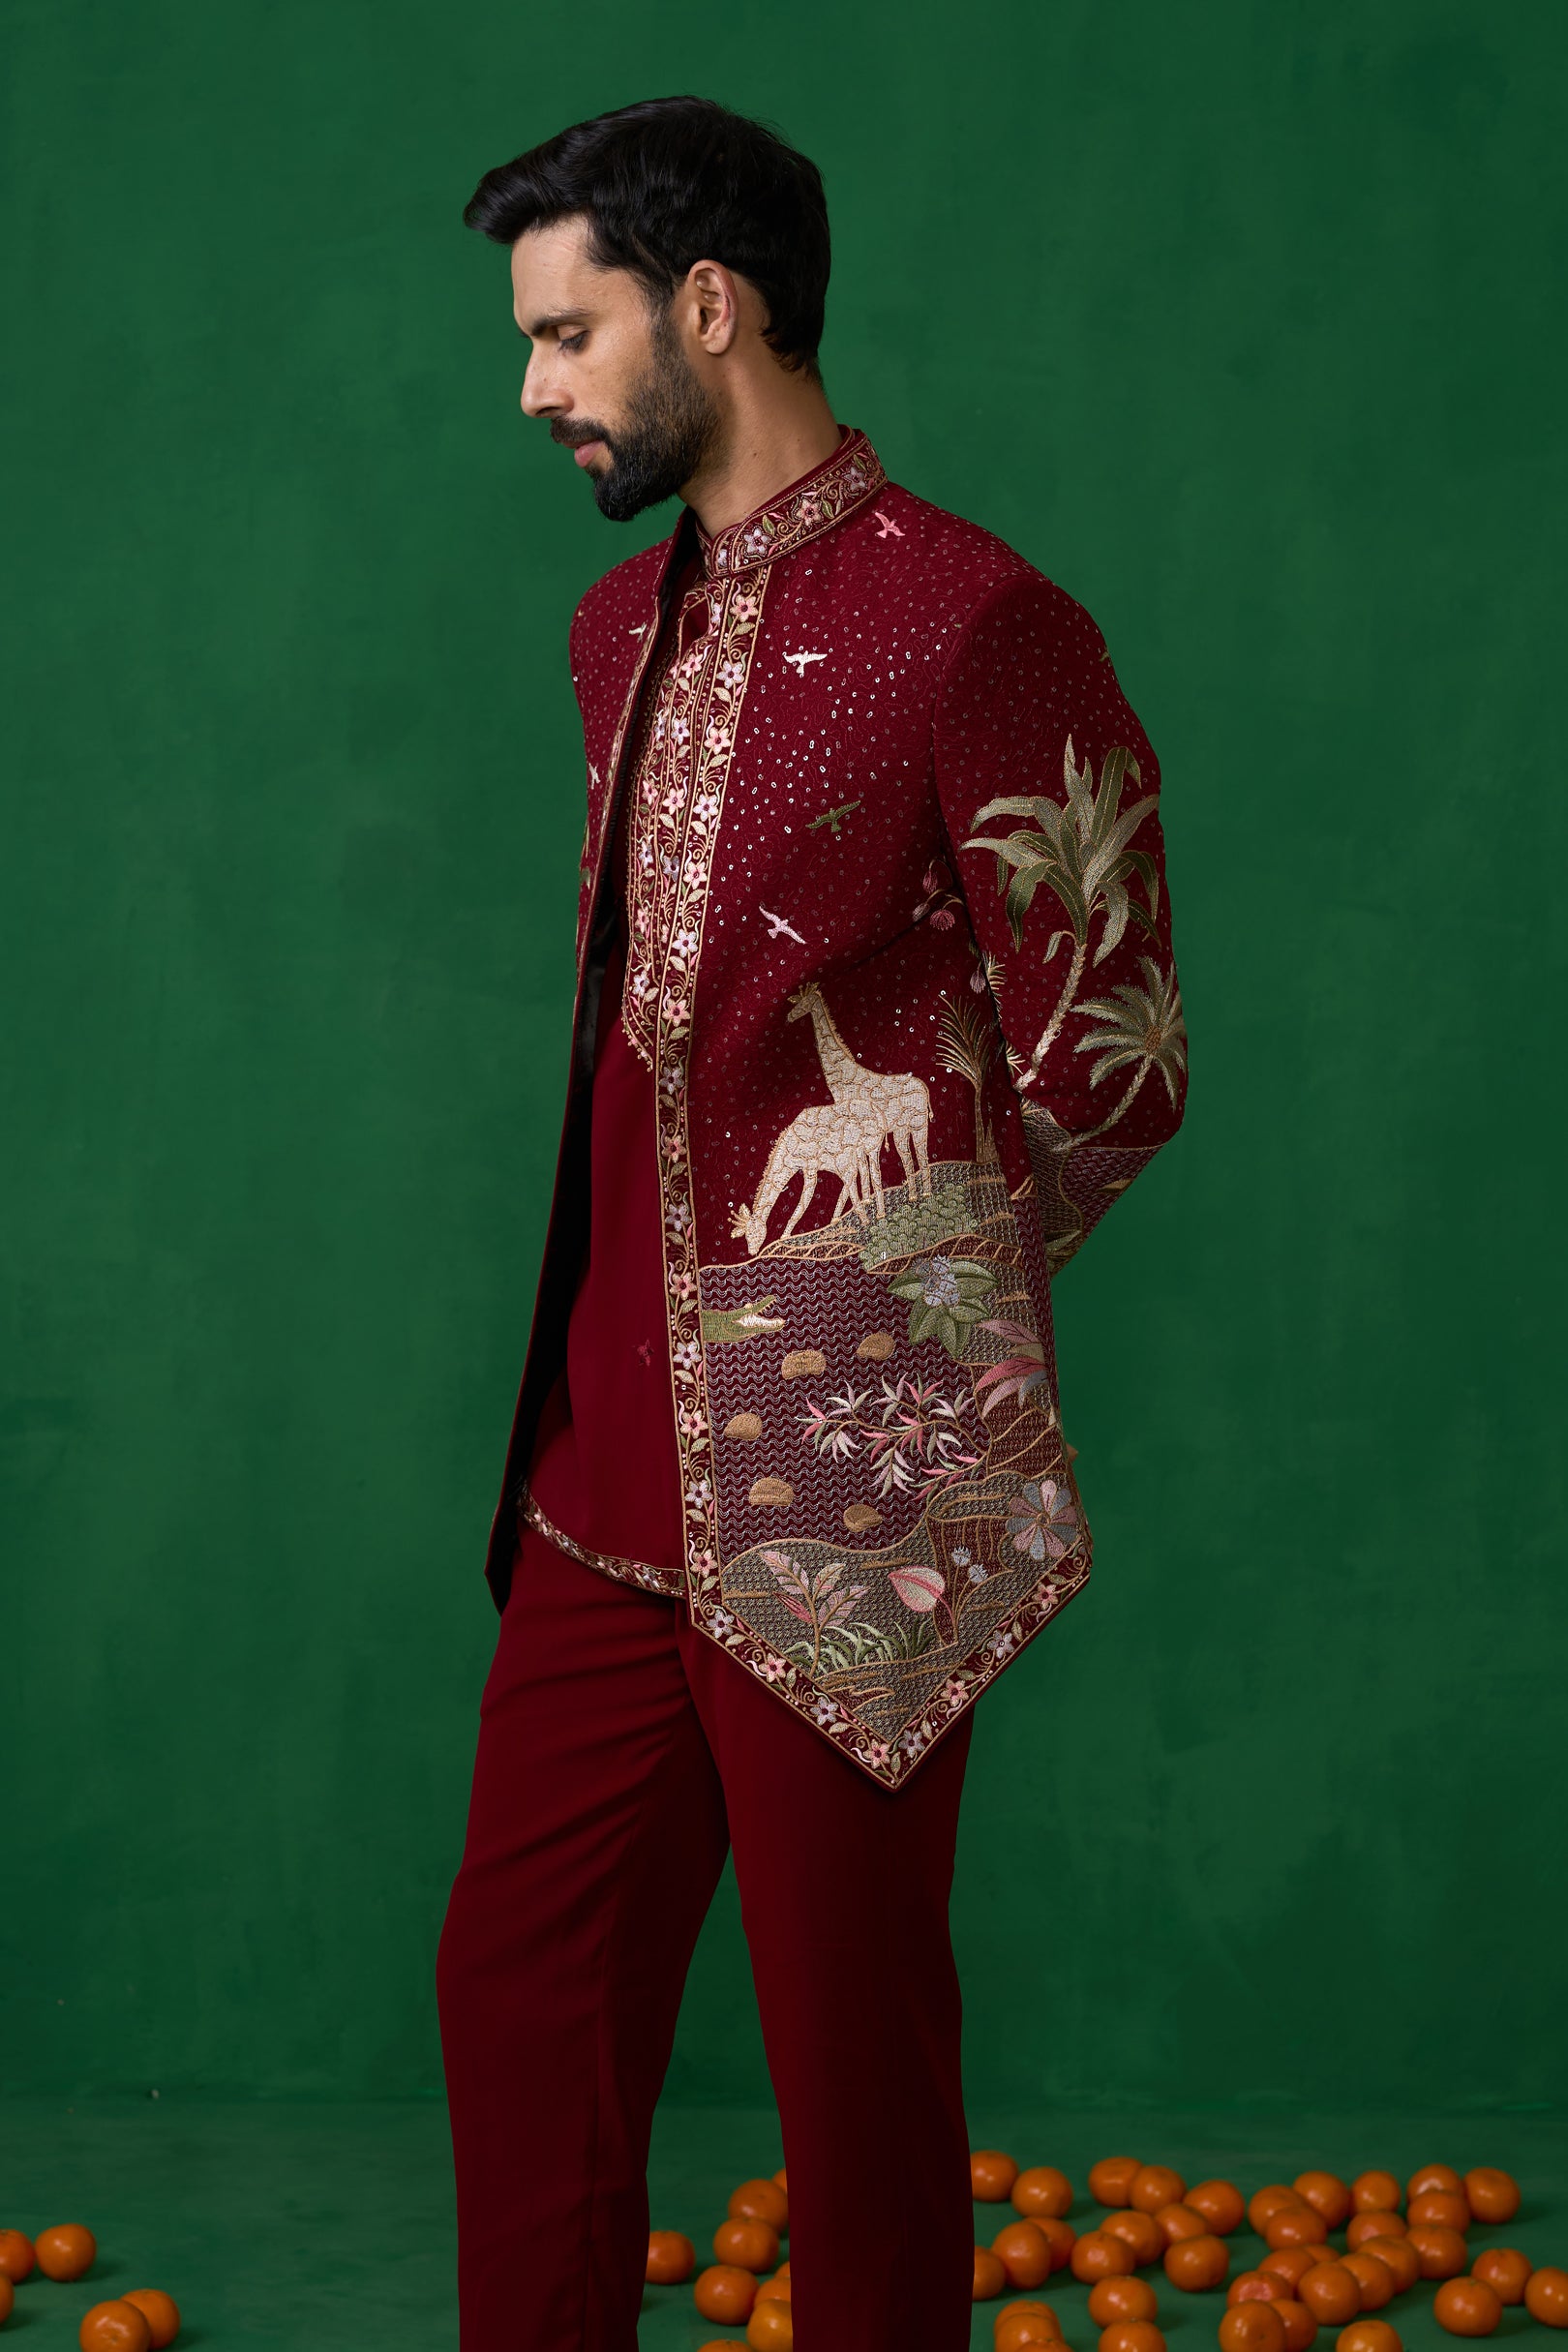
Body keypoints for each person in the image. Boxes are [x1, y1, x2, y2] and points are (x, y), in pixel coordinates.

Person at [437, 94, 1188, 2352]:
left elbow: (1115, 1059)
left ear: (711, 306)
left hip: (845, 1452)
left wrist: (876, 1347)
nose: (535, 389)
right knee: (520, 1988)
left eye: (565, 334)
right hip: (601, 1465)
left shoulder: (978, 622)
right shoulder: (616, 630)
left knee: (849, 2055)